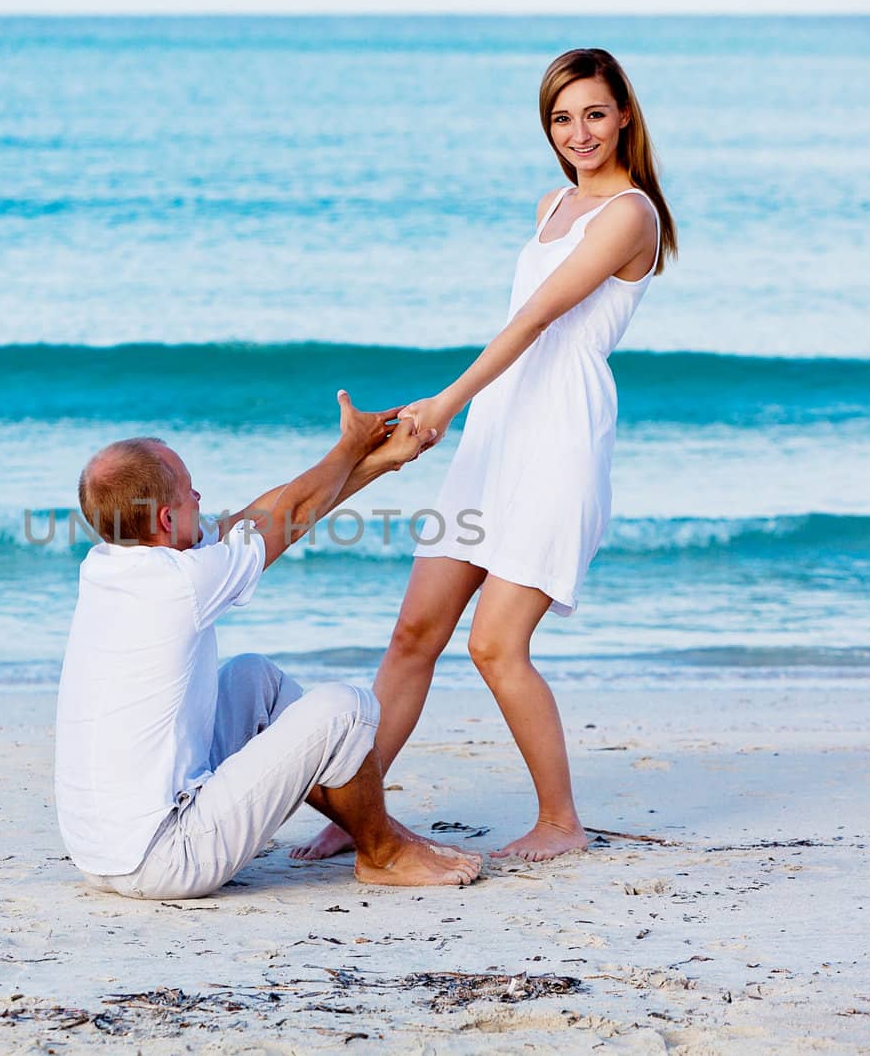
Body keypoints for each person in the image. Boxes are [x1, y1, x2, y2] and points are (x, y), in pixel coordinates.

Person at [293, 47, 678, 865]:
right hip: (498, 434)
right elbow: (523, 324)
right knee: (413, 632)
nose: (578, 132)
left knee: (496, 643)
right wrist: (458, 415)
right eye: (561, 118)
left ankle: (561, 819)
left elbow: (538, 319)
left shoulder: (631, 215)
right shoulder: (553, 205)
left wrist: (444, 402)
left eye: (594, 114)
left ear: (625, 116)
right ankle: (359, 811)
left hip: (558, 437)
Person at [55, 392, 483, 899]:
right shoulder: (182, 583)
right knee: (347, 706)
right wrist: (349, 444)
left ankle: (368, 828)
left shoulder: (111, 562)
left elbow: (262, 518)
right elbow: (293, 510)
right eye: (191, 493)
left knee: (251, 678)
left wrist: (379, 462)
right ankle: (383, 854)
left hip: (102, 853)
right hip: (164, 859)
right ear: (167, 521)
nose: (201, 500)